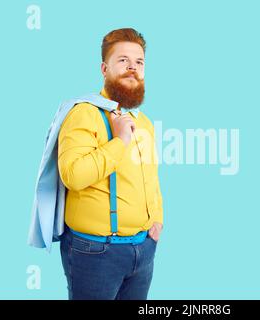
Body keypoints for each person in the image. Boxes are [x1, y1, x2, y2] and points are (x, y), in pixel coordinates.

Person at [57, 28, 164, 300]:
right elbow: (73, 175)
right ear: (104, 68)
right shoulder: (84, 114)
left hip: (143, 250)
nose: (133, 68)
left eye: (139, 62)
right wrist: (119, 142)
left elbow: (151, 176)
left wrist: (157, 219)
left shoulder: (144, 122)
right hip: (96, 253)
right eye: (123, 60)